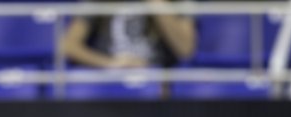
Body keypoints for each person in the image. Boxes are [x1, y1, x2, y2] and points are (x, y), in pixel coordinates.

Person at [62, 0, 196, 69]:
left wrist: (155, 3)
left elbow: (185, 49)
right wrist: (111, 64)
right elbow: (68, 46)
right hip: (109, 81)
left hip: (155, 81)